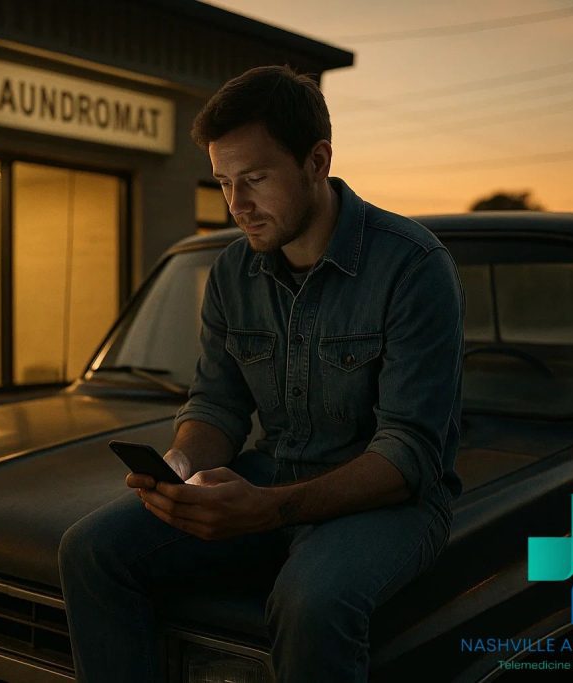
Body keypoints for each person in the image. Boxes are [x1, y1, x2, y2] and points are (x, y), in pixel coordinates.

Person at [58, 64, 464, 683]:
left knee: (312, 603)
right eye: (223, 183)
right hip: (271, 475)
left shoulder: (413, 265)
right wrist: (179, 469)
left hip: (387, 503)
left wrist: (269, 510)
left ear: (317, 160)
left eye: (254, 179)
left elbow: (408, 454)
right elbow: (216, 403)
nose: (236, 205)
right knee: (89, 550)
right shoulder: (231, 271)